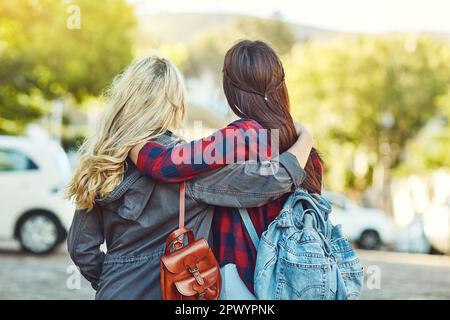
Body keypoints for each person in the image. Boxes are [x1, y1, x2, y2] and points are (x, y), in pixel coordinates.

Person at [66, 55, 314, 299]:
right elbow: (271, 181)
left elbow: (81, 249)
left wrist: (115, 277)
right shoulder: (189, 165)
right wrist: (305, 139)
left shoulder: (101, 163)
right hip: (176, 293)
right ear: (175, 105)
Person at [129, 40, 323, 298]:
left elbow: (165, 164)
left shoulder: (243, 136)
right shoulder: (307, 155)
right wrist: (307, 137)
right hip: (292, 283)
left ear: (230, 88)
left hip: (242, 280)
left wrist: (130, 144)